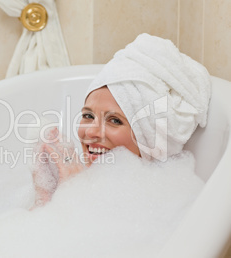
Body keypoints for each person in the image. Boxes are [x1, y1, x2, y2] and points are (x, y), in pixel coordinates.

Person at [31, 33, 211, 207]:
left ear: (148, 137)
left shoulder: (157, 202)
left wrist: (73, 192)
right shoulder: (87, 185)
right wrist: (45, 195)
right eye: (88, 116)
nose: (91, 132)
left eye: (115, 121)